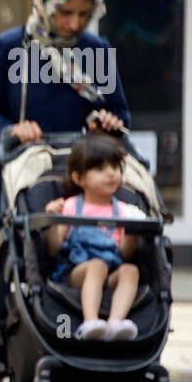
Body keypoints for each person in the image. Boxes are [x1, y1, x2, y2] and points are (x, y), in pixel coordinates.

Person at [0, 0, 130, 382]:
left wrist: (106, 126)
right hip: (16, 191)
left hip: (82, 192)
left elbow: (118, 115)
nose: (74, 24)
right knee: (8, 281)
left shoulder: (96, 51)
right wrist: (11, 129)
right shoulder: (9, 48)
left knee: (66, 280)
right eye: (66, 13)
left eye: (83, 15)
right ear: (46, 4)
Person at [44, 133, 144, 340]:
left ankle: (115, 323)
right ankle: (90, 322)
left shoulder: (124, 211)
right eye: (100, 169)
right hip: (75, 271)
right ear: (78, 178)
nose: (110, 174)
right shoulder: (71, 206)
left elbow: (124, 255)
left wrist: (132, 234)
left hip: (110, 271)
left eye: (115, 167)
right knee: (96, 265)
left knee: (130, 270)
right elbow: (53, 249)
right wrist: (52, 221)